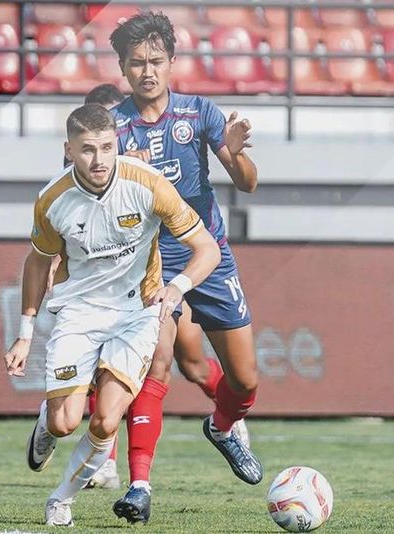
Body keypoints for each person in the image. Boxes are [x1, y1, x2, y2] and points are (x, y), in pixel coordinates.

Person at [3, 104, 221, 527]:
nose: (99, 159)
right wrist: (25, 333)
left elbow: (207, 249)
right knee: (65, 422)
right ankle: (47, 425)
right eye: (87, 150)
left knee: (105, 420)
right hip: (78, 313)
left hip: (137, 312)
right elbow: (37, 261)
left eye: (106, 147)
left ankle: (61, 499)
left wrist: (175, 289)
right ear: (69, 150)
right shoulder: (53, 200)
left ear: (116, 143)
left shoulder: (148, 184)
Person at [107, 11, 263, 524]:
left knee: (243, 381)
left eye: (155, 61)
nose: (147, 71)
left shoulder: (200, 113)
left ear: (172, 63)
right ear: (124, 70)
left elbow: (247, 183)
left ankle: (221, 427)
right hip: (148, 266)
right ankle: (139, 486)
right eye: (137, 63)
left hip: (207, 255)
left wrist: (236, 156)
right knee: (159, 363)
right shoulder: (115, 126)